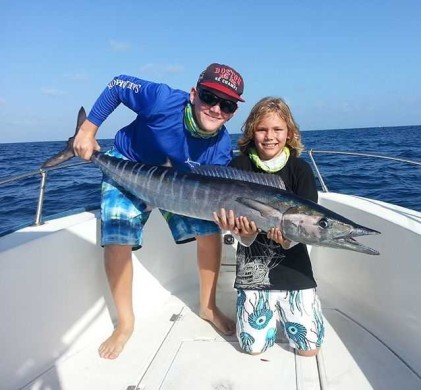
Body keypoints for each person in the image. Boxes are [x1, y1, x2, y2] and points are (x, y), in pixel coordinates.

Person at [73, 63, 245, 359]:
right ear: (194, 94)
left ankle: (208, 306)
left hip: (176, 183)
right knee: (117, 238)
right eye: (209, 97)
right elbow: (118, 84)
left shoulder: (221, 145)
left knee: (209, 231)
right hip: (128, 165)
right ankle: (125, 323)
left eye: (226, 104)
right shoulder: (163, 100)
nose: (216, 108)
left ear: (232, 112)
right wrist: (88, 130)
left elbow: (214, 191)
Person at [214, 97, 324, 357]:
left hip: (295, 270)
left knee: (309, 351)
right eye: (263, 129)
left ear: (289, 133)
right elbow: (237, 229)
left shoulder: (300, 170)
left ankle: (289, 310)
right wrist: (244, 233)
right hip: (254, 272)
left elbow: (308, 225)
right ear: (252, 131)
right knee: (253, 348)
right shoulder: (238, 166)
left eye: (278, 130)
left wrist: (286, 239)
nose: (270, 136)